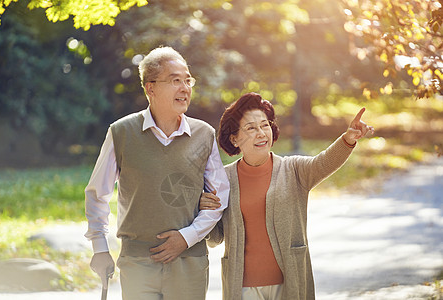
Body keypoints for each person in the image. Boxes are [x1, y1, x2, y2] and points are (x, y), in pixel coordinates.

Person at [84, 46, 230, 300]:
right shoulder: (121, 132)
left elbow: (218, 199)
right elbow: (97, 194)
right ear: (150, 88)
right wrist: (100, 248)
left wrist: (186, 238)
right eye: (175, 80)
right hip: (137, 261)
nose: (185, 88)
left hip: (189, 262)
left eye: (188, 80)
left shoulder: (204, 134)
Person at [200, 92, 374, 300]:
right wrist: (205, 208)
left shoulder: (294, 170)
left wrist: (347, 139)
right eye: (251, 128)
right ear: (234, 139)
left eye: (265, 125)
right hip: (243, 288)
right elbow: (216, 238)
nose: (261, 133)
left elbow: (323, 162)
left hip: (289, 282)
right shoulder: (223, 179)